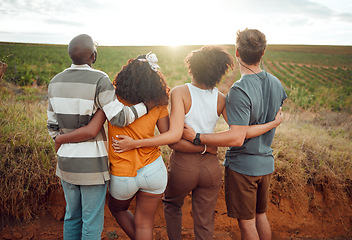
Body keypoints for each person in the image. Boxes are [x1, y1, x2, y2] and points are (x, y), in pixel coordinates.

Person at [113, 45, 283, 240]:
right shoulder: (221, 98)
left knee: (172, 204)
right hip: (211, 167)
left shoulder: (180, 92)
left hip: (184, 164)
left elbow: (174, 135)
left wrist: (193, 138)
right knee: (205, 218)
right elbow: (241, 132)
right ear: (219, 73)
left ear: (191, 68)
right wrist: (272, 124)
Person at [182, 29, 288, 240]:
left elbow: (237, 137)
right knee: (261, 216)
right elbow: (252, 127)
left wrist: (198, 137)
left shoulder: (240, 90)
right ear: (263, 52)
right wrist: (273, 124)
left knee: (247, 224)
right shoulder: (277, 84)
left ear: (237, 53)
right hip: (266, 163)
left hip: (243, 168)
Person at [54, 52, 170, 240]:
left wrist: (60, 138)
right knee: (145, 224)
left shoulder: (113, 98)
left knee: (117, 209)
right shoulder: (158, 102)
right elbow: (168, 136)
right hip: (153, 169)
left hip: (123, 174)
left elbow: (92, 129)